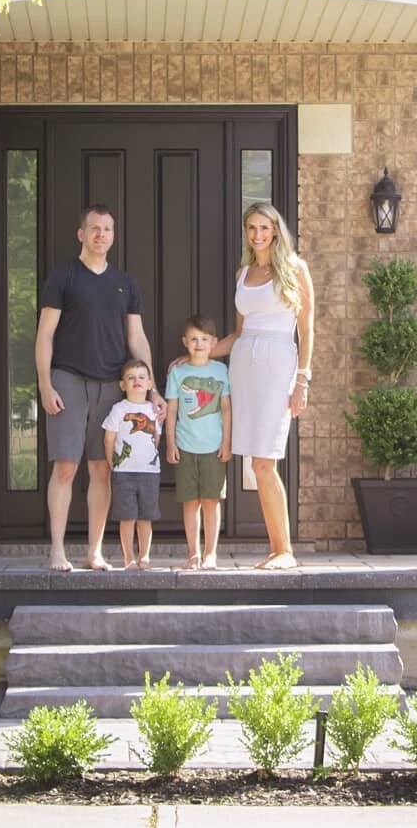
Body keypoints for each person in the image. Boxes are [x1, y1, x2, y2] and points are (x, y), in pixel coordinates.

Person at [34, 204, 164, 572]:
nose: (100, 235)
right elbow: (45, 334)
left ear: (113, 235)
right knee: (65, 468)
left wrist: (152, 388)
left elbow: (136, 338)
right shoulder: (64, 276)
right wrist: (45, 383)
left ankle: (94, 552)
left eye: (107, 229)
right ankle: (57, 551)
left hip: (111, 385)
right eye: (94, 228)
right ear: (81, 234)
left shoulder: (125, 283)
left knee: (102, 470)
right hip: (68, 379)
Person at [214, 203, 313, 571]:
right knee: (254, 463)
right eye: (251, 227)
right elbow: (239, 333)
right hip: (244, 364)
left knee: (264, 460)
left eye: (264, 227)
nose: (258, 234)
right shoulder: (243, 273)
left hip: (279, 363)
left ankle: (283, 550)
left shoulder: (295, 269)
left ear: (275, 230)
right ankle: (277, 549)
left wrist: (303, 378)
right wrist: (201, 352)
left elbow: (307, 330)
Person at [164, 314, 232, 571]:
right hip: (185, 445)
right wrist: (170, 444)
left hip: (213, 447)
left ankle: (211, 553)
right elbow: (171, 410)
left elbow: (226, 408)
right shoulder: (178, 372)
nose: (199, 343)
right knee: (191, 503)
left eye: (204, 339)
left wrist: (227, 441)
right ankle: (193, 553)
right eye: (193, 339)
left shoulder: (221, 371)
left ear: (214, 342)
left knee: (211, 501)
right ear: (185, 342)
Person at [102, 360, 163, 570]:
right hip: (124, 473)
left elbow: (156, 438)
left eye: (141, 377)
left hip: (149, 473)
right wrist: (112, 462)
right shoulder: (119, 409)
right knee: (127, 517)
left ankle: (144, 556)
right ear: (122, 385)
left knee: (146, 517)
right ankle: (128, 557)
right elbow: (109, 439)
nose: (137, 381)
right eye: (131, 377)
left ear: (149, 384)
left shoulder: (154, 410)